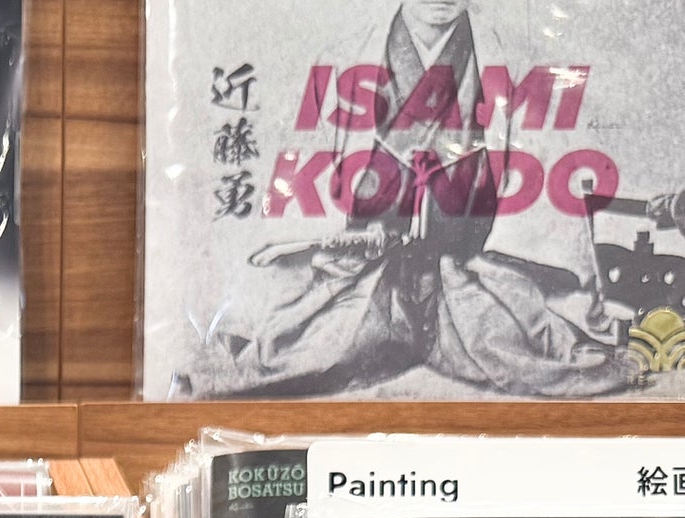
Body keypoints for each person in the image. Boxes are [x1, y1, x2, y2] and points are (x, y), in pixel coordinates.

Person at [181, 0, 640, 398]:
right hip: (367, 273)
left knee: (517, 352)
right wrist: (344, 233)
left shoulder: (512, 63)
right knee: (307, 356)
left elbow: (541, 204)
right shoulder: (347, 56)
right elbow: (305, 187)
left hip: (468, 272)